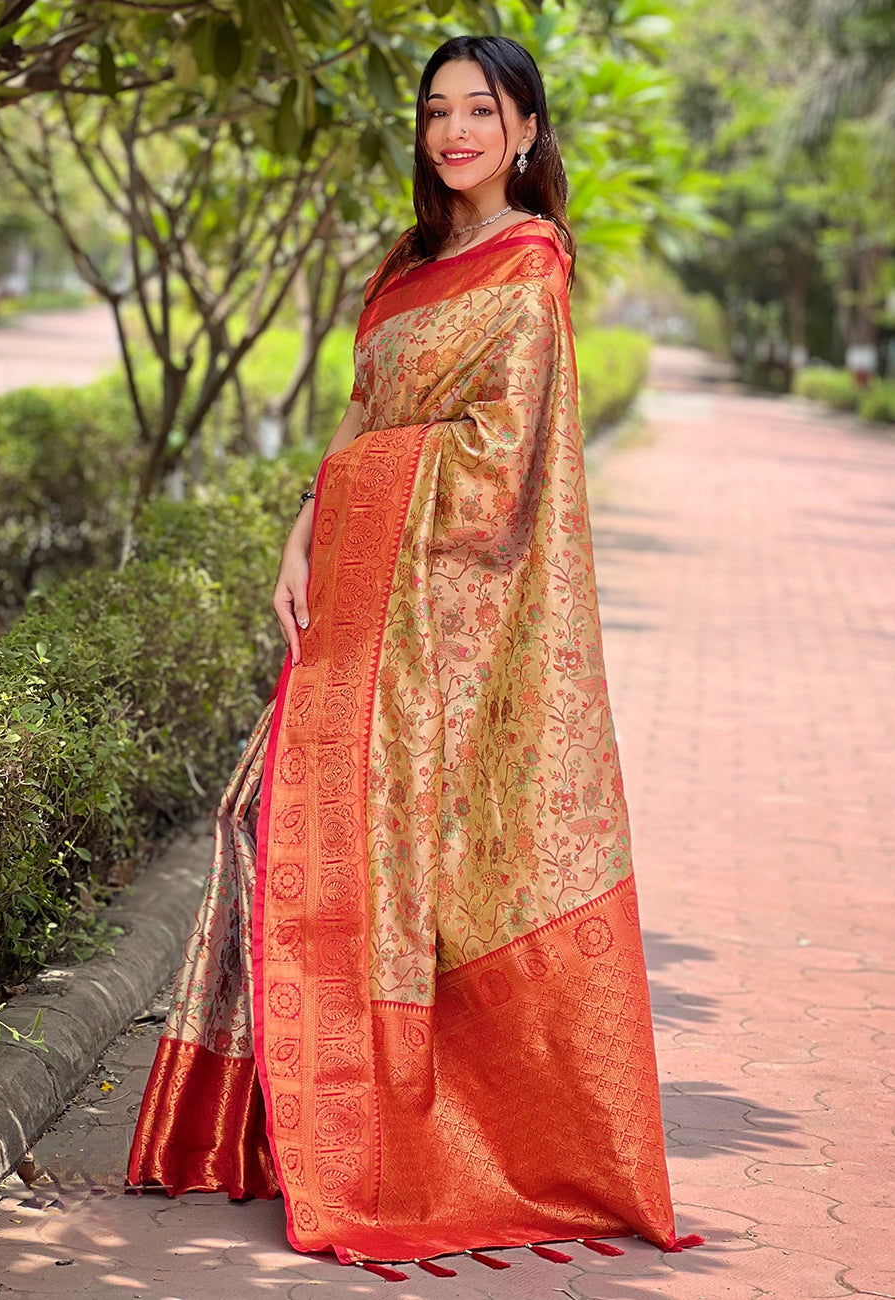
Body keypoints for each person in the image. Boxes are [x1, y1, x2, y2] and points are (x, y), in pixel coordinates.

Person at [128, 33, 699, 1277]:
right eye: (436, 110)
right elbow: (358, 415)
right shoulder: (407, 264)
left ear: (526, 130)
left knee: (381, 864)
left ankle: (392, 1139)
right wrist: (300, 527)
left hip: (432, 625)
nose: (454, 132)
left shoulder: (530, 268)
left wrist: (367, 497)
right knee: (262, 822)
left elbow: (499, 466)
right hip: (348, 588)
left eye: (479, 111)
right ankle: (277, 1125)